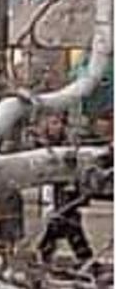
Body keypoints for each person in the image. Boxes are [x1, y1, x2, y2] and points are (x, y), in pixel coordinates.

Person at [37, 112, 94, 266]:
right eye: (53, 123)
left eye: (59, 123)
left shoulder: (68, 144)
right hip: (50, 190)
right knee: (60, 225)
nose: (57, 127)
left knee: (66, 224)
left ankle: (84, 258)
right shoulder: (42, 144)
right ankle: (83, 258)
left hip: (66, 192)